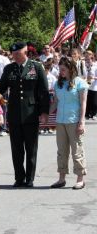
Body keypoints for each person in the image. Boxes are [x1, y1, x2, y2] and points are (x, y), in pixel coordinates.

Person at [0, 42, 50, 187]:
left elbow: (43, 92)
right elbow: (1, 88)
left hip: (31, 113)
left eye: (18, 54)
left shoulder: (36, 67)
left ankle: (30, 178)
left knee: (31, 147)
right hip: (14, 113)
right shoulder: (9, 68)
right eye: (14, 55)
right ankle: (19, 178)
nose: (15, 57)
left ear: (25, 52)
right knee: (16, 148)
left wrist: (44, 112)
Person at [50, 57, 88, 190]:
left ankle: (80, 179)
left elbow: (83, 103)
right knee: (62, 151)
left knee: (77, 151)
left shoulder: (80, 83)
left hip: (74, 121)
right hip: (60, 121)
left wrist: (82, 122)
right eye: (60, 69)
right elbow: (55, 102)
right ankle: (61, 179)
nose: (61, 72)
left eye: (63, 69)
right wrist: (45, 113)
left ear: (71, 69)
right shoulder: (57, 84)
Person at [39, 59, 57, 134]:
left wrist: (50, 90)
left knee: (50, 111)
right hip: (41, 96)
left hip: (50, 96)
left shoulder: (52, 77)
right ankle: (42, 126)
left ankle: (50, 127)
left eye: (44, 70)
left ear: (47, 69)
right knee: (42, 111)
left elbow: (55, 87)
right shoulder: (39, 77)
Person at [85, 51, 97, 120]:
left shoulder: (95, 65)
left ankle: (94, 113)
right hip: (86, 85)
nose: (87, 57)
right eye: (86, 55)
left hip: (94, 86)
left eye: (89, 55)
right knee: (87, 101)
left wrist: (93, 78)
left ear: (92, 56)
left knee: (94, 102)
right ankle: (87, 114)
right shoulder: (83, 64)